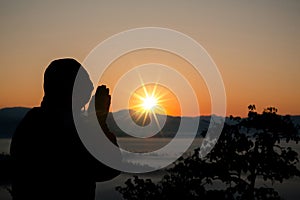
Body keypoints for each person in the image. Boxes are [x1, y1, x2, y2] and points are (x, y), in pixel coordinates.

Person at [10, 58, 120, 200]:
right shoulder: (54, 127)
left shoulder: (34, 122)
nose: (88, 92)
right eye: (84, 88)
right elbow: (107, 168)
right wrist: (98, 123)